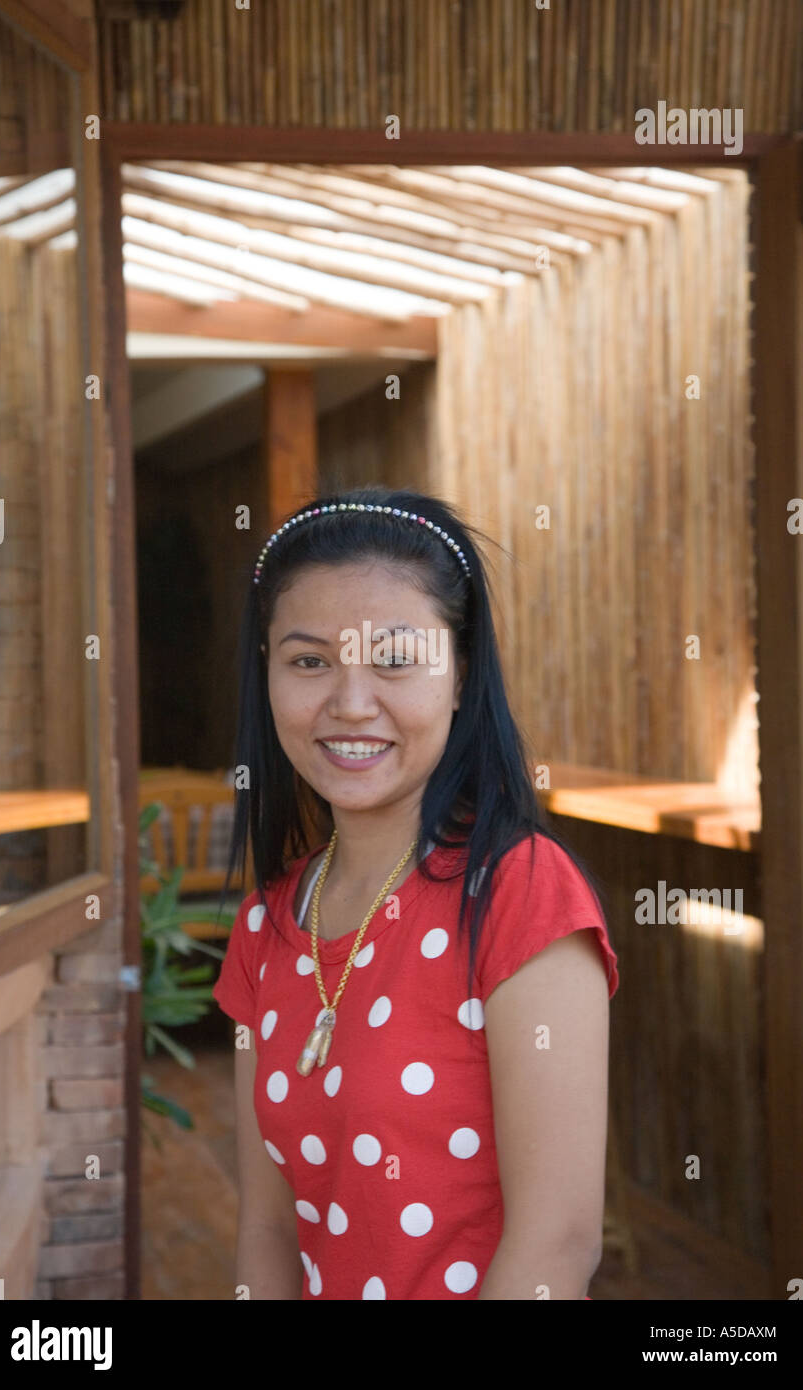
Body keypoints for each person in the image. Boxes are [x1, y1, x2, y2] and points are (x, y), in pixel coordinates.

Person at [213, 484, 619, 1300]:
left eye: (396, 660)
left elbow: (555, 1247)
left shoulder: (521, 894)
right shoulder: (267, 921)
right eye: (309, 660)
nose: (350, 703)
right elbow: (269, 1227)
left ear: (461, 676)